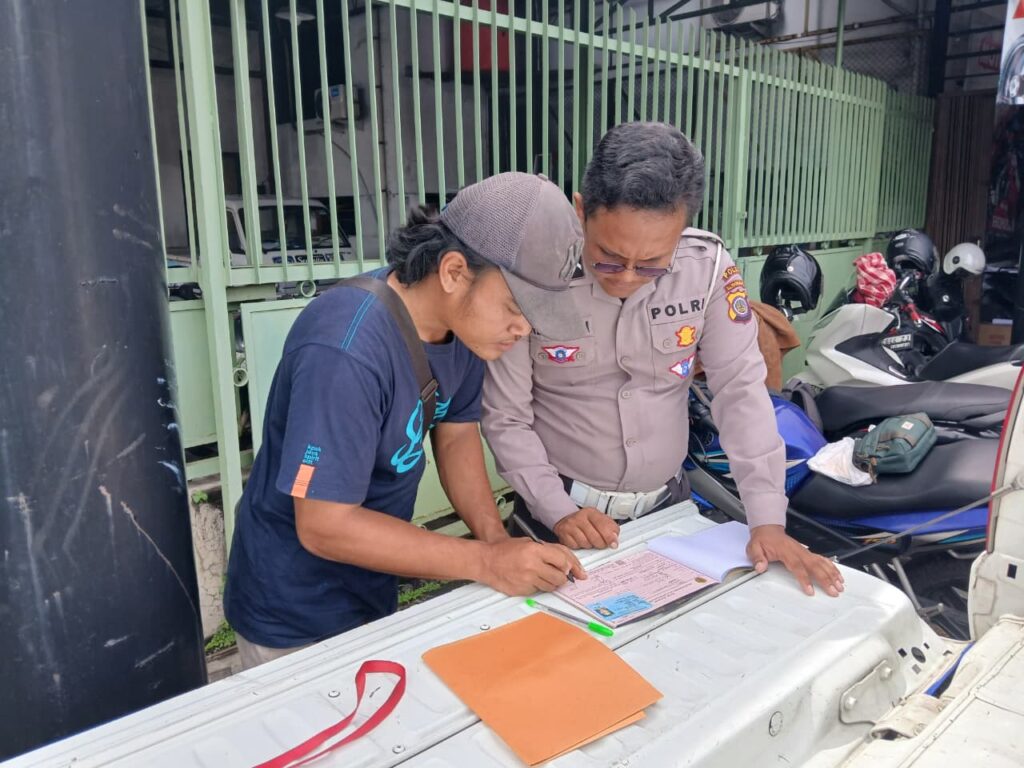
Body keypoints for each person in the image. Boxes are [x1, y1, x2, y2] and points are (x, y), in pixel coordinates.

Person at [225, 172, 588, 669]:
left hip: (370, 587)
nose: (523, 328)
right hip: (293, 612)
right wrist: (485, 563)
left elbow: (456, 437)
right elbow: (324, 526)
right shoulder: (346, 349)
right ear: (454, 271)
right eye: (514, 307)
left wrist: (496, 540)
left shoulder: (463, 330)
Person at [482, 123, 844, 598]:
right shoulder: (536, 272)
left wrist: (767, 521)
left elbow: (740, 392)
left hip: (667, 514)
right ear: (581, 210)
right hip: (557, 521)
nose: (628, 277)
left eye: (654, 264)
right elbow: (506, 416)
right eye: (608, 258)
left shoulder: (707, 268)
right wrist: (557, 509)